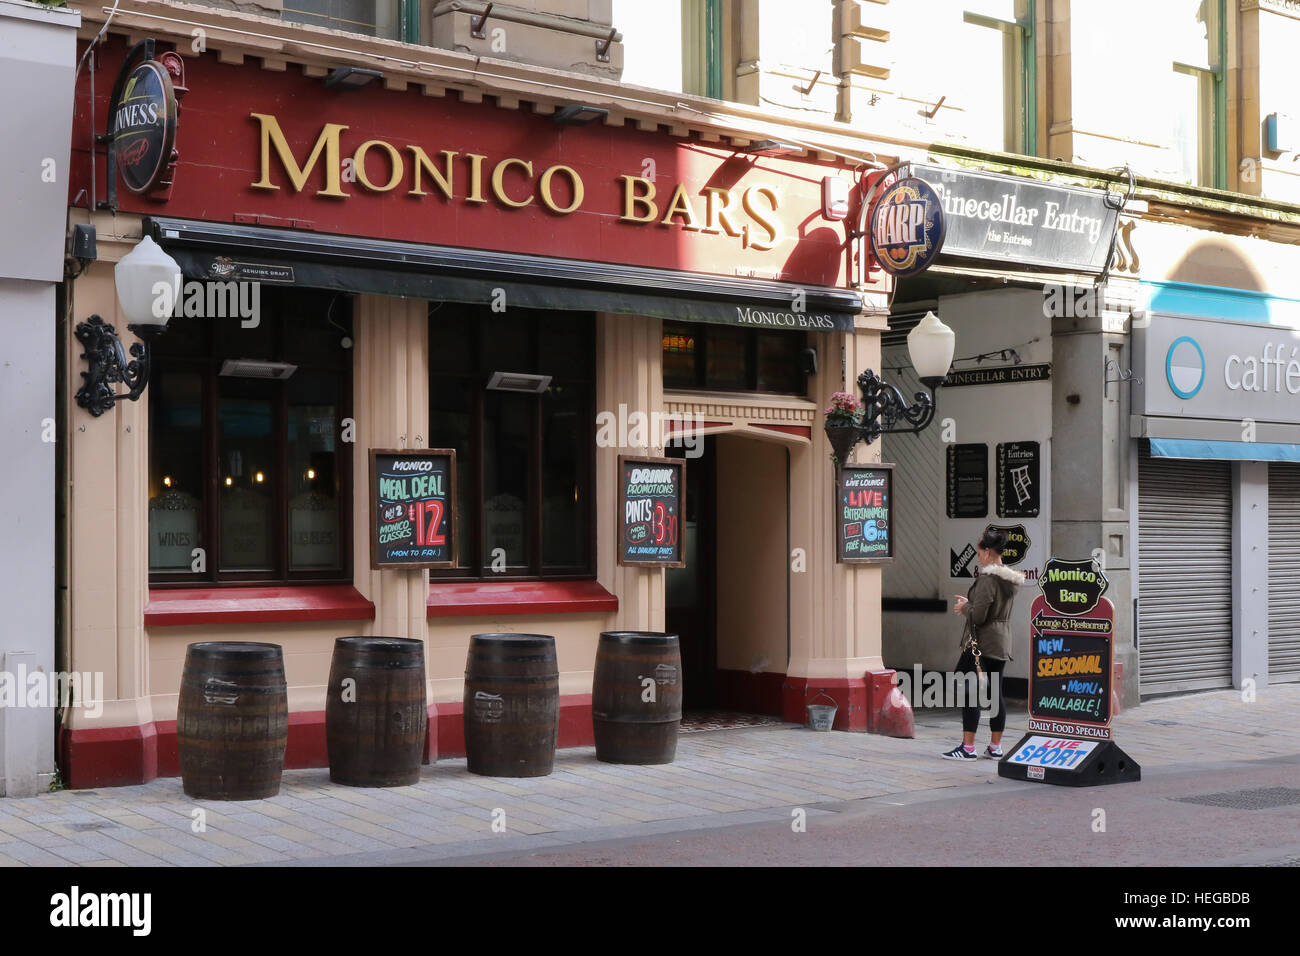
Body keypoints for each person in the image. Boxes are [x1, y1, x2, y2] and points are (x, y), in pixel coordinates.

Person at [942, 529, 1025, 760]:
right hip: (1001, 642)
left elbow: (979, 616)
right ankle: (996, 747)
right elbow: (992, 608)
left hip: (982, 643)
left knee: (970, 692)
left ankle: (968, 748)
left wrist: (964, 608)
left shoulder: (988, 579)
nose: (978, 558)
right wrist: (973, 603)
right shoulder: (1008, 580)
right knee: (995, 693)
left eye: (980, 553)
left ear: (988, 552)